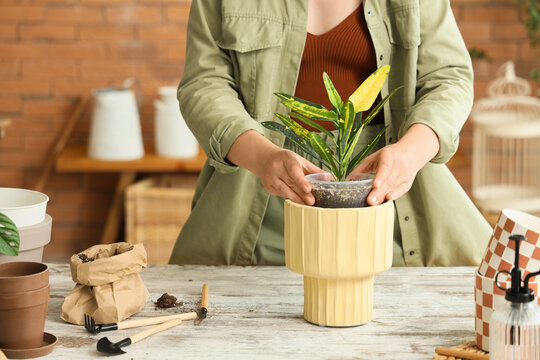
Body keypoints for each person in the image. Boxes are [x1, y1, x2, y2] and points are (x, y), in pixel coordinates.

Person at [169, 0, 492, 266]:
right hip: (262, 187)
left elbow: (448, 78)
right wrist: (262, 156)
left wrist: (410, 153)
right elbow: (203, 84)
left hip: (392, 190)